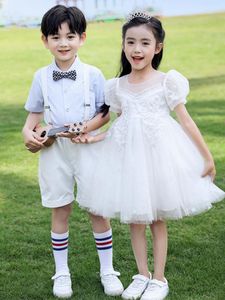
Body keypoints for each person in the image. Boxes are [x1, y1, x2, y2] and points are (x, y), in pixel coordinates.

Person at [76, 11, 225, 300]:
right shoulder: (116, 87)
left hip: (159, 158)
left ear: (157, 47)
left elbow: (186, 121)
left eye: (144, 43)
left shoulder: (167, 82)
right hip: (129, 161)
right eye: (130, 42)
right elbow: (121, 126)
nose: (136, 49)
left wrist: (207, 157)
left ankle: (159, 279)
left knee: (157, 218)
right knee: (135, 219)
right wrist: (95, 137)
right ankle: (141, 274)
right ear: (123, 45)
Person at [22, 5, 124, 299]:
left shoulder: (93, 74)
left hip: (88, 149)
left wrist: (85, 127)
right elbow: (31, 122)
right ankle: (62, 272)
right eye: (55, 37)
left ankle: (107, 270)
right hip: (55, 153)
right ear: (44, 40)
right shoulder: (41, 77)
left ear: (82, 38)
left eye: (70, 36)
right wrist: (32, 138)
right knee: (60, 208)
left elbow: (105, 113)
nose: (63, 43)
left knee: (96, 208)